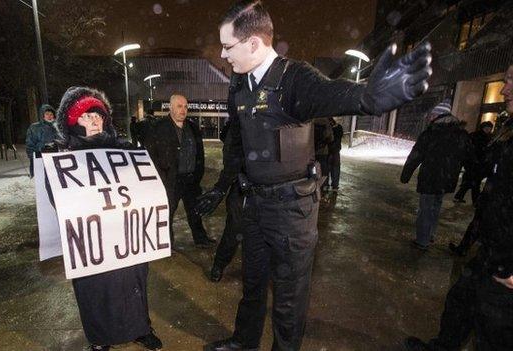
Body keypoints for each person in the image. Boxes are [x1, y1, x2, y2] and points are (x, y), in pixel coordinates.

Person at [196, 1, 432, 350]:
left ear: (254, 43)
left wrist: (368, 97)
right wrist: (221, 187)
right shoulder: (240, 84)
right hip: (255, 204)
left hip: (292, 210)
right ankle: (244, 343)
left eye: (228, 46)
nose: (223, 54)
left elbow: (332, 92)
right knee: (253, 283)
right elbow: (237, 143)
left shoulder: (294, 79)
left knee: (289, 300)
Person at [404, 63, 513, 351]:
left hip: (507, 263)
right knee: (460, 302)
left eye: (512, 80)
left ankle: (423, 238)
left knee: (493, 331)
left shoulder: (436, 132)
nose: (504, 88)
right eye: (505, 79)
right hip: (491, 250)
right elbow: (479, 166)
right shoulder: (505, 132)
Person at [46, 87, 162, 351]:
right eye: (86, 116)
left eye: (97, 115)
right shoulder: (62, 156)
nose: (94, 120)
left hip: (125, 234)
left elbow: (144, 186)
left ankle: (140, 328)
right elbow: (57, 199)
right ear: (72, 122)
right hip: (93, 240)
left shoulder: (123, 148)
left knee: (133, 284)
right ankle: (100, 338)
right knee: (95, 291)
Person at [400, 100, 474, 250]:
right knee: (436, 206)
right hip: (448, 179)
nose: (430, 117)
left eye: (433, 114)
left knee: (426, 209)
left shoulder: (431, 133)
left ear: (439, 115)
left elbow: (416, 155)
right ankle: (430, 234)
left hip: (430, 178)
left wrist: (406, 174)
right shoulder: (461, 134)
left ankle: (422, 241)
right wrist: (471, 174)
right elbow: (469, 156)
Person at [145, 94, 216, 248]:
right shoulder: (158, 127)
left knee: (195, 212)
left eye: (185, 106)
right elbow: (151, 154)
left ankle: (200, 238)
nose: (183, 110)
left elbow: (199, 153)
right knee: (167, 212)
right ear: (170, 107)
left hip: (191, 180)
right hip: (171, 180)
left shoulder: (192, 127)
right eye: (179, 106)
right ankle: (166, 243)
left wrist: (198, 173)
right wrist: (161, 177)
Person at [209, 118, 244, 282]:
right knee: (234, 230)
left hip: (266, 188)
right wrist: (221, 188)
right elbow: (231, 160)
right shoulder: (238, 125)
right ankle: (219, 264)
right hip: (241, 187)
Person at [453, 120, 493, 205]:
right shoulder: (478, 136)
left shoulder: (487, 137)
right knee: (475, 183)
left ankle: (459, 197)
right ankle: (475, 201)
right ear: (483, 127)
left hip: (477, 164)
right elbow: (472, 150)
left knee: (469, 182)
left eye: (490, 128)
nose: (488, 129)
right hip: (474, 164)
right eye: (487, 128)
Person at [25, 104, 57, 177]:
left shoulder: (58, 127)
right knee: (42, 179)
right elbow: (30, 144)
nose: (49, 116)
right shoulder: (35, 127)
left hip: (55, 157)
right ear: (42, 115)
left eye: (51, 114)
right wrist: (32, 157)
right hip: (40, 156)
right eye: (47, 114)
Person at [313, 117, 333, 192]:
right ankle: (324, 188)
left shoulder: (312, 121)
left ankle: (314, 188)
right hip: (323, 152)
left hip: (312, 151)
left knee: (313, 170)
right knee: (324, 170)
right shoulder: (326, 123)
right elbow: (331, 138)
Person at [326, 117, 343, 191]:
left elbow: (330, 139)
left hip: (331, 152)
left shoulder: (335, 128)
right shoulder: (339, 128)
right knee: (334, 169)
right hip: (334, 151)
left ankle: (331, 187)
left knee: (329, 169)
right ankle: (334, 187)